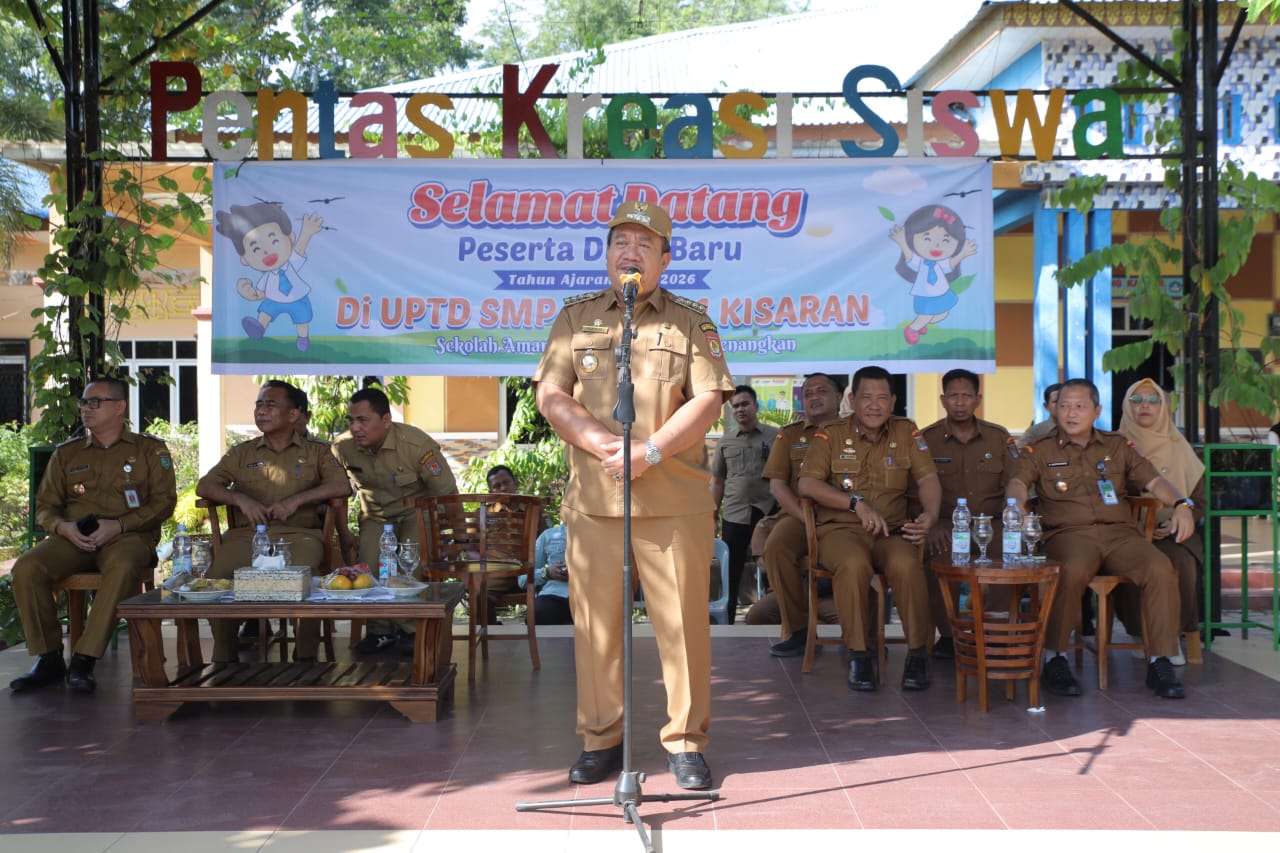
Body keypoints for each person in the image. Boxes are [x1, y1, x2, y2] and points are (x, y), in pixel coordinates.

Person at [534, 199, 734, 791]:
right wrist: (602, 443)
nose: (630, 251)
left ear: (665, 259)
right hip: (596, 502)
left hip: (674, 502)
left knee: (681, 629)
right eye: (620, 241)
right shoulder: (575, 318)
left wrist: (650, 450)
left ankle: (686, 742)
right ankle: (601, 739)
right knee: (596, 627)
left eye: (644, 244)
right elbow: (552, 394)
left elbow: (708, 400)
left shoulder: (692, 321)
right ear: (606, 254)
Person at [1007, 378, 1193, 699]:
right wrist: (1017, 507)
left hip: (1119, 534)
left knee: (1160, 568)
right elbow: (1017, 483)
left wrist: (1181, 504)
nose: (1070, 413)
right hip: (1069, 534)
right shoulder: (1039, 449)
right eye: (1064, 406)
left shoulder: (1117, 446)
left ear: (1097, 411)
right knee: (1069, 571)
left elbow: (1153, 481)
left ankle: (1159, 660)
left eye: (1079, 406)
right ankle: (1055, 657)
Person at [10, 377, 177, 694]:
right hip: (75, 537)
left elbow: (164, 502)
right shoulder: (68, 453)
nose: (86, 408)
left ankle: (85, 658)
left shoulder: (149, 450)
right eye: (84, 402)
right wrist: (64, 528)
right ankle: (49, 658)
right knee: (27, 567)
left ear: (119, 407)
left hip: (128, 536)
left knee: (124, 565)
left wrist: (121, 525)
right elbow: (45, 507)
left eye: (95, 402)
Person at [797, 365, 941, 692]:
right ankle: (859, 654)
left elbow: (928, 478)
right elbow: (807, 484)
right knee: (853, 565)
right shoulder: (830, 433)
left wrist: (930, 515)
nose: (874, 406)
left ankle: (918, 654)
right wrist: (855, 504)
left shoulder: (907, 431)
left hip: (891, 532)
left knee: (907, 565)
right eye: (866, 398)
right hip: (841, 531)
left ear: (893, 401)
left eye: (881, 398)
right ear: (852, 399)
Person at [196, 380, 351, 662]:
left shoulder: (316, 452)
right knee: (215, 580)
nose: (261, 411)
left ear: (293, 415)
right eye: (258, 404)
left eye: (270, 405)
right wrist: (239, 499)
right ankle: (225, 658)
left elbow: (342, 487)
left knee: (306, 578)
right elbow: (205, 486)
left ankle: (305, 660)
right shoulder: (242, 452)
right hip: (248, 536)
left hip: (299, 535)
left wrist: (297, 500)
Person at [332, 387, 458, 654]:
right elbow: (336, 493)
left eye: (363, 420)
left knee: (409, 565)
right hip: (376, 515)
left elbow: (447, 493)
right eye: (351, 420)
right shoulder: (342, 447)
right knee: (371, 568)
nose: (355, 428)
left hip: (416, 513)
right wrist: (343, 531)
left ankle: (411, 632)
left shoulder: (416, 445)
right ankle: (379, 632)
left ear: (386, 420)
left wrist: (457, 539)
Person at [918, 368, 1018, 659]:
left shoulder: (998, 438)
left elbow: (1016, 480)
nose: (959, 402)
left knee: (1013, 558)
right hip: (947, 526)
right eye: (953, 396)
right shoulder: (926, 440)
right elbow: (914, 490)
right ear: (942, 399)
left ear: (978, 399)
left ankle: (995, 633)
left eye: (966, 396)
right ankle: (950, 636)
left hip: (993, 523)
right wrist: (931, 522)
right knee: (930, 563)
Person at [1114, 378, 1205, 665]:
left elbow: (1199, 500)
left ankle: (1171, 637)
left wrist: (1181, 519)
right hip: (1128, 531)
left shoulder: (1181, 447)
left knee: (1180, 561)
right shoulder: (1114, 446)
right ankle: (1143, 632)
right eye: (1137, 400)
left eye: (1153, 401)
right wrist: (1136, 526)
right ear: (1126, 406)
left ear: (1164, 407)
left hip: (1175, 530)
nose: (1145, 406)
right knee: (1140, 560)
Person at [760, 372, 844, 657]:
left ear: (840, 397)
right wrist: (806, 520)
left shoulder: (854, 431)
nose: (814, 397)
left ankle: (861, 634)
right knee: (775, 548)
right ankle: (799, 631)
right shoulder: (791, 434)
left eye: (822, 391)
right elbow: (777, 485)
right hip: (799, 515)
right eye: (808, 393)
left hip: (845, 517)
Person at [711, 384, 778, 622]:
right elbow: (718, 481)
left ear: (756, 406)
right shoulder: (726, 442)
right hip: (734, 516)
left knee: (774, 568)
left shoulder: (774, 437)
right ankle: (727, 622)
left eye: (745, 404)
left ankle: (776, 618)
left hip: (769, 514)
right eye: (735, 405)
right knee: (732, 571)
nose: (740, 409)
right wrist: (713, 517)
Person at [522, 524, 573, 625]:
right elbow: (523, 580)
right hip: (555, 594)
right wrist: (547, 573)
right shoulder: (549, 535)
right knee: (537, 614)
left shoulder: (603, 534)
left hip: (592, 596)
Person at [1019, 382, 1062, 448]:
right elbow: (1020, 456)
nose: (1061, 405)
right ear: (1046, 406)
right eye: (1055, 401)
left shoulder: (1080, 430)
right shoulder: (1034, 433)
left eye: (1064, 401)